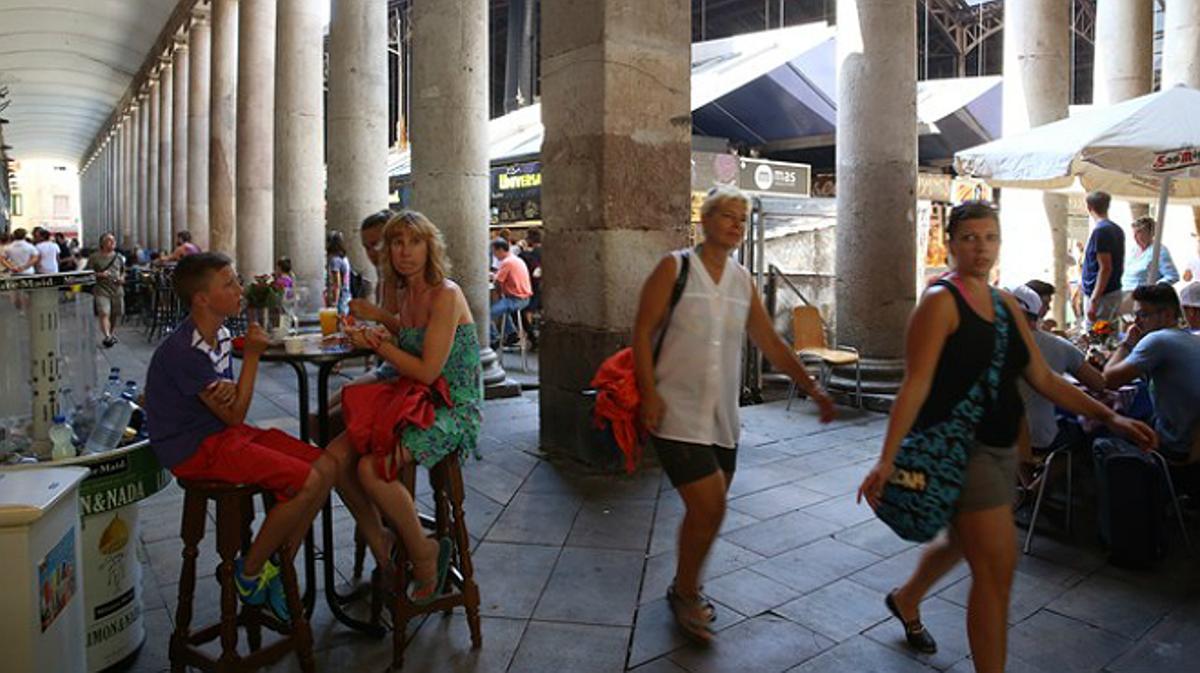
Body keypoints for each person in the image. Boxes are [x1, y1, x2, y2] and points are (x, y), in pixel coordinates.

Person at [855, 201, 1155, 673]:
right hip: (963, 451)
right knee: (995, 573)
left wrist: (1109, 417)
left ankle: (907, 598)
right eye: (969, 237)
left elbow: (1042, 376)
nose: (980, 247)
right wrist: (886, 460)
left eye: (989, 237)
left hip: (997, 451)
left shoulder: (1002, 306)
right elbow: (914, 385)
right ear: (951, 243)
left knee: (963, 543)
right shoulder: (940, 303)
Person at [633, 186, 836, 642]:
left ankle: (683, 585)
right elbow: (642, 332)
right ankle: (686, 594)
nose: (736, 225)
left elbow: (771, 343)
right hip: (675, 409)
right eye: (727, 215)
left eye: (742, 219)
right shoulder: (675, 268)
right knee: (710, 505)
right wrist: (649, 392)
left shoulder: (743, 280)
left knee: (707, 512)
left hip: (722, 416)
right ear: (704, 220)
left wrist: (812, 387)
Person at [143, 253, 367, 622]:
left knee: (326, 465)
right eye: (229, 283)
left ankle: (276, 566)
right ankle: (250, 572)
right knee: (307, 479)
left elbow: (230, 403)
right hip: (194, 448)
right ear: (202, 298)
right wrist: (251, 360)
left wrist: (233, 386)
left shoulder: (222, 335)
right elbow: (234, 413)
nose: (239, 289)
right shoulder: (185, 350)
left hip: (221, 434)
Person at [327, 210, 483, 603]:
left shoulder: (446, 293)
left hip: (452, 408)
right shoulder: (406, 293)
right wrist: (380, 327)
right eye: (397, 243)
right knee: (333, 457)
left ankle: (423, 552)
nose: (405, 251)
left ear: (430, 247)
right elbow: (410, 337)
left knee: (370, 468)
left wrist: (378, 344)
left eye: (415, 242)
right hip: (414, 397)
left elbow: (430, 371)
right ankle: (383, 543)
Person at [1010, 284, 1104, 491]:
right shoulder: (1057, 345)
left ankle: (1028, 487)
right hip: (1040, 437)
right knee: (1089, 437)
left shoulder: (990, 344)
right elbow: (1099, 383)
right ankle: (1037, 489)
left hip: (998, 436)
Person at [1100, 284, 1200, 464]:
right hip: (1191, 437)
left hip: (1176, 445)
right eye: (1135, 315)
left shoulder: (1158, 340)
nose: (1136, 322)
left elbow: (1108, 380)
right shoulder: (1191, 338)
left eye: (1143, 315)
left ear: (1167, 315)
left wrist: (1127, 344)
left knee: (1100, 430)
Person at [1081, 191, 1125, 326]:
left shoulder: (1101, 231)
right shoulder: (1117, 229)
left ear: (1089, 207)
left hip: (1102, 295)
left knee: (1097, 335)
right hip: (1110, 292)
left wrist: (1094, 299)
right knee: (1107, 333)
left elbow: (1105, 267)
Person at [488, 237, 532, 347]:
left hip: (516, 299)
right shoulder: (515, 259)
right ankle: (511, 333)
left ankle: (494, 339)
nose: (494, 255)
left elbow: (498, 282)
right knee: (502, 306)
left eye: (494, 252)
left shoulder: (507, 262)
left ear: (500, 250)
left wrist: (499, 293)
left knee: (486, 315)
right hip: (524, 298)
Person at [1121, 217, 1179, 294]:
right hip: (1125, 292)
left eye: (1139, 232)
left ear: (1150, 233)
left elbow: (1172, 276)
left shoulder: (1159, 250)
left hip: (1143, 296)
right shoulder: (1133, 250)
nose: (1135, 236)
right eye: (1134, 232)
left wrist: (1152, 288)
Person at [88, 233, 126, 348]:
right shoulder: (94, 257)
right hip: (101, 289)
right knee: (104, 312)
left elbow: (123, 271)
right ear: (103, 244)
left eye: (113, 240)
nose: (113, 242)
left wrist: (122, 278)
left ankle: (111, 333)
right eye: (109, 240)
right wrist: (99, 274)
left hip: (117, 289)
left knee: (115, 313)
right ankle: (107, 336)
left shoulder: (119, 257)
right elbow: (88, 273)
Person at [326, 231, 352, 315]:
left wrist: (334, 302)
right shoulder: (344, 258)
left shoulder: (335, 260)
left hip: (340, 298)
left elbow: (337, 283)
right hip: (346, 294)